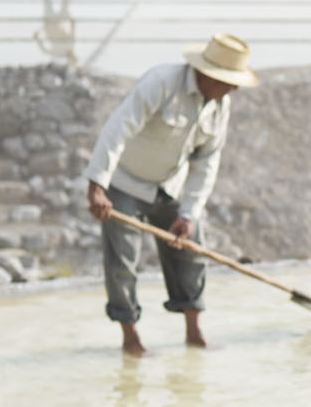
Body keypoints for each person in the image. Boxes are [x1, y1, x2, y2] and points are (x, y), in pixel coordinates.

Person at [84, 33, 258, 356]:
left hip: (170, 186)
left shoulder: (220, 106)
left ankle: (194, 333)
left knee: (191, 251)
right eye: (229, 81)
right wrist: (98, 185)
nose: (234, 89)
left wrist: (189, 213)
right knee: (122, 260)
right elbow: (118, 128)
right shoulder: (162, 82)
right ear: (208, 74)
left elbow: (207, 161)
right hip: (125, 183)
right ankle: (131, 340)